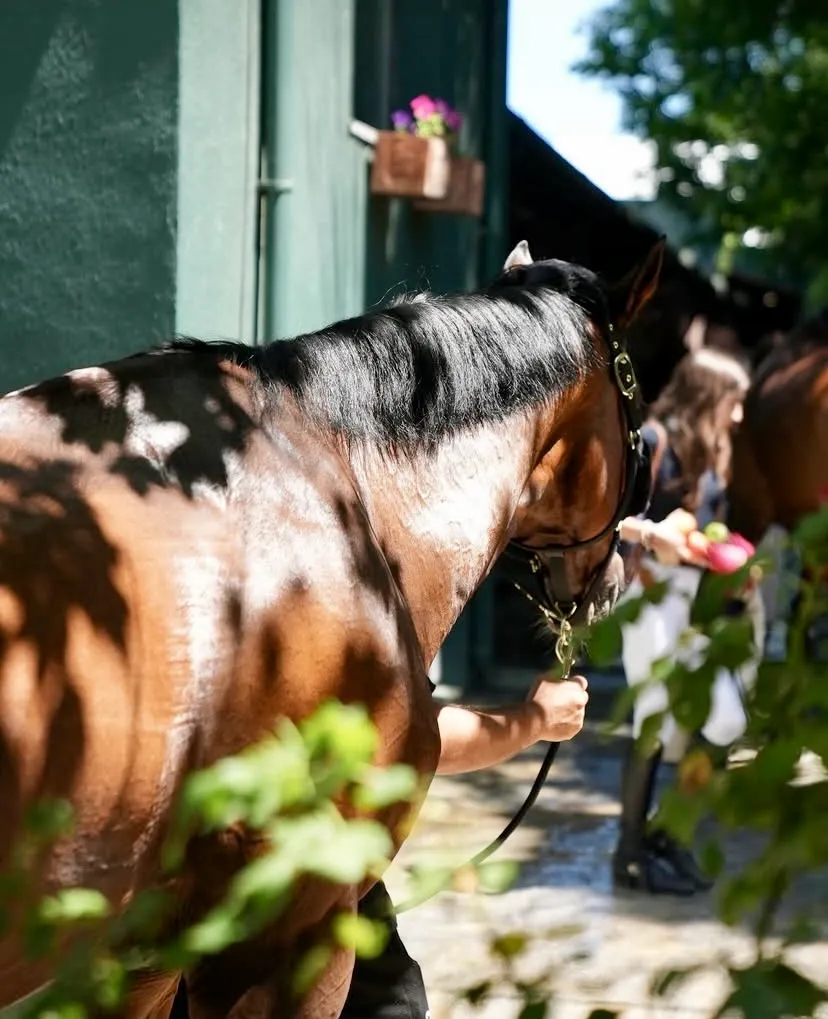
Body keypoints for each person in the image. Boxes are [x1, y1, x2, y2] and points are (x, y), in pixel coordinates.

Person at [170, 671, 590, 1019]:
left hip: (171, 858)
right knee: (390, 1005)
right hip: (284, 854)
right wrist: (536, 718)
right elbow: (409, 732)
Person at [613, 347, 764, 897]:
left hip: (696, 602)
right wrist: (657, 536)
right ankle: (630, 854)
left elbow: (709, 532)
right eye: (734, 401)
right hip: (650, 597)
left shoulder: (714, 449)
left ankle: (664, 833)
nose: (740, 414)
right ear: (707, 396)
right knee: (653, 719)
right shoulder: (653, 440)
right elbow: (612, 520)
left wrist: (734, 562)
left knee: (723, 719)